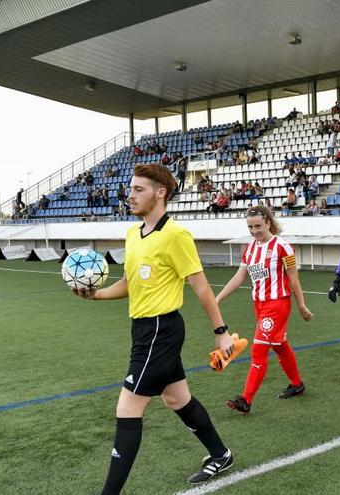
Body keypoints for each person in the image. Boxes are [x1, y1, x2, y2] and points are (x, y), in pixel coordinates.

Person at [72, 163, 237, 492]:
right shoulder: (133, 234)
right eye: (130, 189)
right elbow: (130, 283)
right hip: (143, 330)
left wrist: (221, 334)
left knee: (127, 406)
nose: (130, 195)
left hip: (162, 329)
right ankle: (220, 455)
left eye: (138, 189)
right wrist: (97, 295)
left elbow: (202, 288)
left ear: (160, 193)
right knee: (176, 399)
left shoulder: (176, 236)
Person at [215, 206, 313, 413]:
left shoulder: (283, 247)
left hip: (277, 304)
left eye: (258, 226)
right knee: (279, 345)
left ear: (268, 222)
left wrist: (301, 304)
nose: (254, 231)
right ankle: (297, 384)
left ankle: (245, 400)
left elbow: (294, 278)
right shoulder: (250, 249)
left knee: (258, 351)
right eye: (250, 227)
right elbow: (239, 277)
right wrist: (217, 299)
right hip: (259, 305)